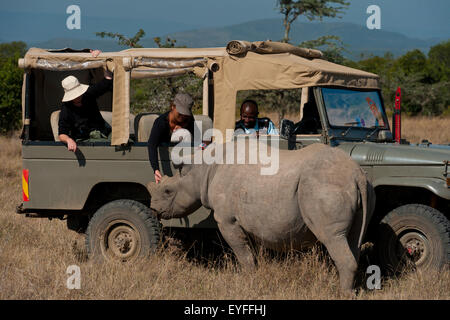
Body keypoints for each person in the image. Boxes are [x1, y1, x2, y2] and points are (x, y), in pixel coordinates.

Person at [58, 49, 113, 152]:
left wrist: (101, 57)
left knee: (124, 141)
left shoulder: (88, 94)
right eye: (74, 95)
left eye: (78, 94)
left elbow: (107, 82)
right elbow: (62, 134)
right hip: (83, 139)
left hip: (103, 132)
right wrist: (69, 140)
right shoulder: (66, 108)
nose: (77, 97)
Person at [147, 93, 196, 184]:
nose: (183, 116)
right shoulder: (161, 123)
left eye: (186, 113)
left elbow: (199, 141)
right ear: (173, 107)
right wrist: (156, 169)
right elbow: (152, 145)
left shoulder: (189, 120)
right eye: (180, 112)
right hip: (167, 164)